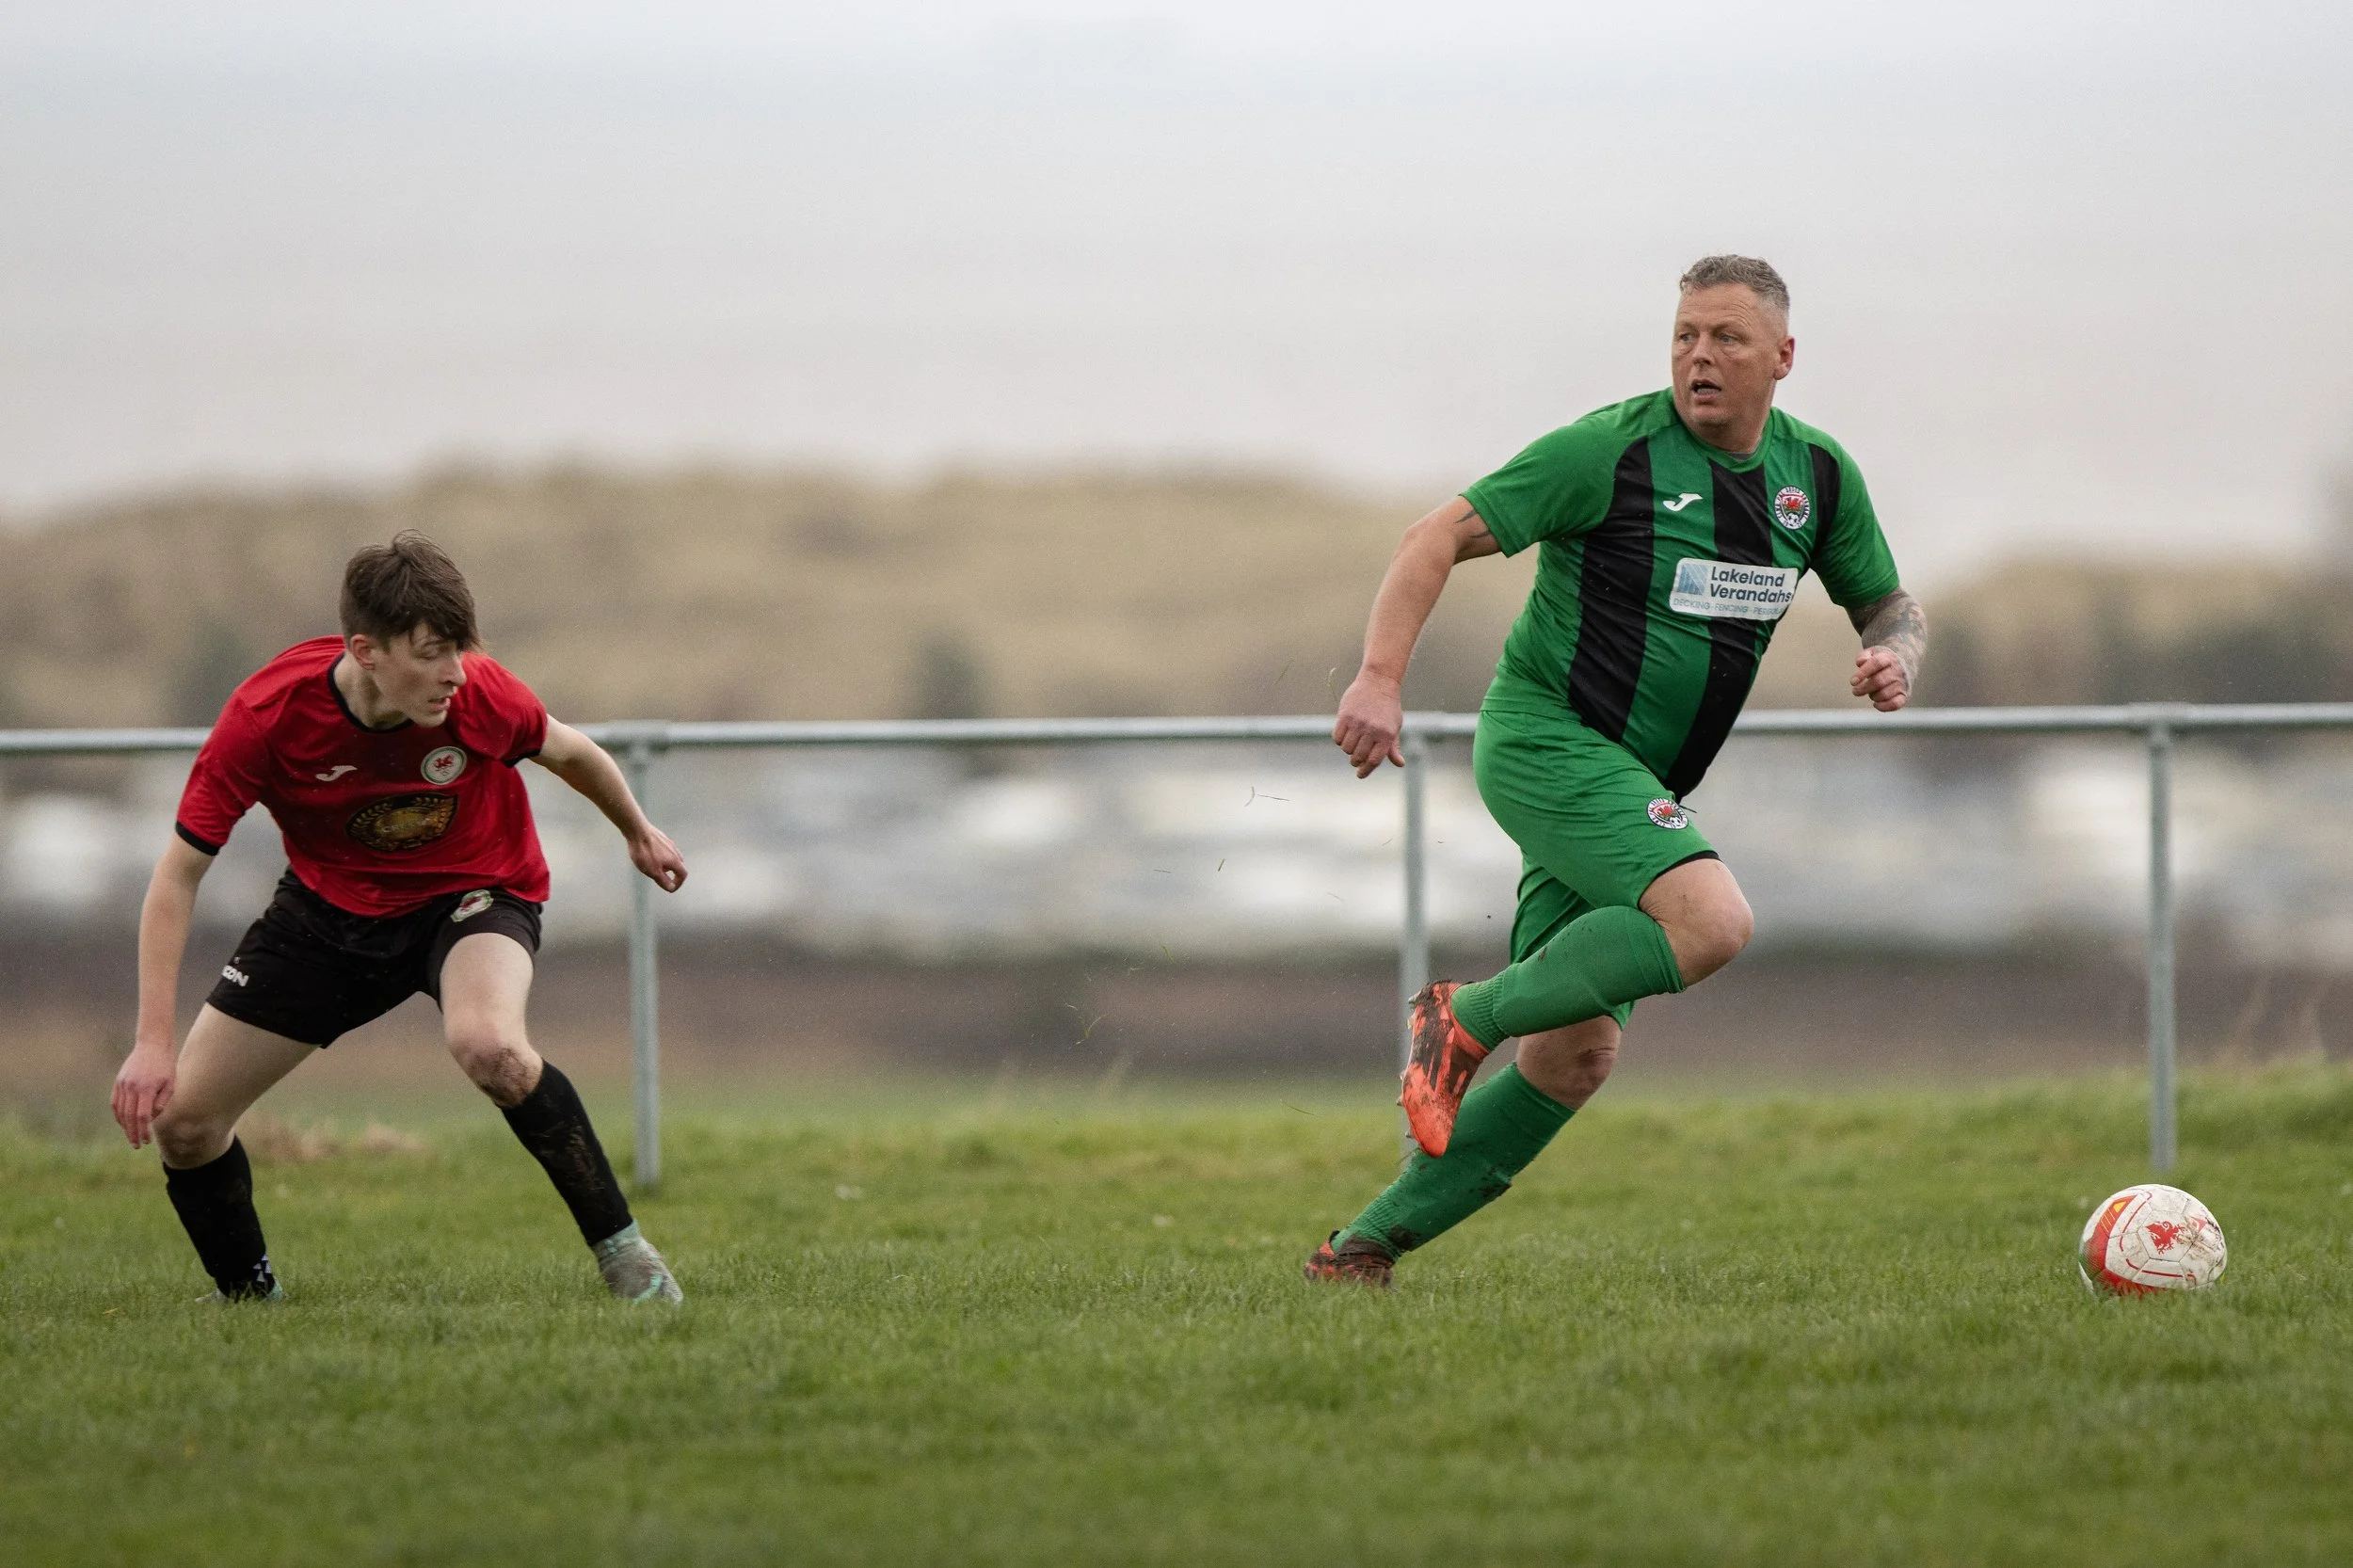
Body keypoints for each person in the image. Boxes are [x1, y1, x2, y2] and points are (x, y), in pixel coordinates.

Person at [1306, 255, 1927, 1287]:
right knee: (1712, 922)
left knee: (1575, 1055)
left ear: (1782, 358)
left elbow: (1890, 605)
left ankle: (1360, 1249)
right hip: (1546, 742)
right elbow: (1433, 537)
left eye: (1726, 338)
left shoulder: (1813, 477)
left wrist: (1893, 655)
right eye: (1684, 334)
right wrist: (1377, 677)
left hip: (1637, 787)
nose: (1698, 355)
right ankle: (1460, 1017)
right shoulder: (1609, 451)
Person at [110, 533, 692, 1304]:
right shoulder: (267, 715)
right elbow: (177, 877)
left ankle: (629, 1260)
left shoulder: (479, 693)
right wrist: (152, 1042)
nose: (454, 673)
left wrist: (637, 831)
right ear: (366, 650)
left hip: (475, 893)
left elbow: (573, 752)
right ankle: (251, 1306)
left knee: (491, 1048)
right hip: (327, 916)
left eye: (460, 648)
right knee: (184, 1124)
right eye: (431, 652)